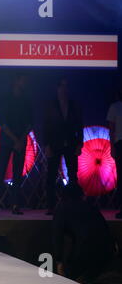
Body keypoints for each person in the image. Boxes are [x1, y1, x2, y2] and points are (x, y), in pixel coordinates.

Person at [0, 75, 33, 215]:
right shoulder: (5, 99)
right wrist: (15, 140)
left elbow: (30, 122)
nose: (25, 82)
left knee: (18, 174)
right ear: (16, 81)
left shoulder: (26, 100)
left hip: (19, 140)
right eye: (23, 79)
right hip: (8, 140)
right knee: (0, 172)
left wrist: (21, 139)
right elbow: (3, 122)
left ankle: (15, 204)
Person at [53, 184, 117, 283]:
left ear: (62, 196)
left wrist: (59, 261)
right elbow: (105, 230)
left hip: (85, 250)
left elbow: (57, 236)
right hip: (107, 249)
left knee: (72, 278)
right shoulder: (91, 206)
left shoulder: (62, 207)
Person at [43, 78, 83, 215]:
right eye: (62, 86)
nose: (64, 89)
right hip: (54, 144)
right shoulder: (51, 105)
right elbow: (45, 126)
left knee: (73, 175)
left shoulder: (74, 105)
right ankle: (51, 206)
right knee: (51, 175)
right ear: (57, 88)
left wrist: (79, 143)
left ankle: (74, 204)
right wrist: (46, 145)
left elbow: (80, 125)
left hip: (71, 143)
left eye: (66, 87)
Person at [107, 80, 122, 219]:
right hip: (119, 143)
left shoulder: (114, 107)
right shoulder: (114, 107)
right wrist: (112, 147)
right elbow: (111, 130)